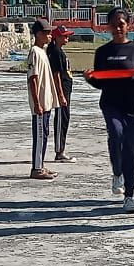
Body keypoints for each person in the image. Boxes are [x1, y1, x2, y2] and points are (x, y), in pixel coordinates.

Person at [84, 7, 134, 213]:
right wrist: (90, 78)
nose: (118, 28)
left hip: (132, 106)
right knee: (116, 133)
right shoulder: (102, 52)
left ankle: (129, 195)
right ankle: (117, 172)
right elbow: (100, 82)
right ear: (109, 27)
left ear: (128, 25)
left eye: (121, 24)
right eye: (114, 25)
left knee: (131, 149)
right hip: (111, 104)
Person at [27, 18, 65, 179]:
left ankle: (41, 164)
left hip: (47, 102)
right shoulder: (34, 52)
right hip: (40, 103)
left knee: (44, 134)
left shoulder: (43, 51)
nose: (50, 36)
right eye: (47, 33)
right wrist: (37, 103)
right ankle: (36, 168)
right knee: (40, 135)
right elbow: (33, 78)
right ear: (38, 34)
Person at [48, 24, 76, 162]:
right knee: (61, 119)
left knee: (65, 118)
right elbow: (56, 74)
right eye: (64, 36)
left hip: (66, 90)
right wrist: (60, 94)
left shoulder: (59, 50)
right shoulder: (55, 52)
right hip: (62, 92)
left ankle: (61, 149)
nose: (67, 38)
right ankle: (59, 152)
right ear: (57, 37)